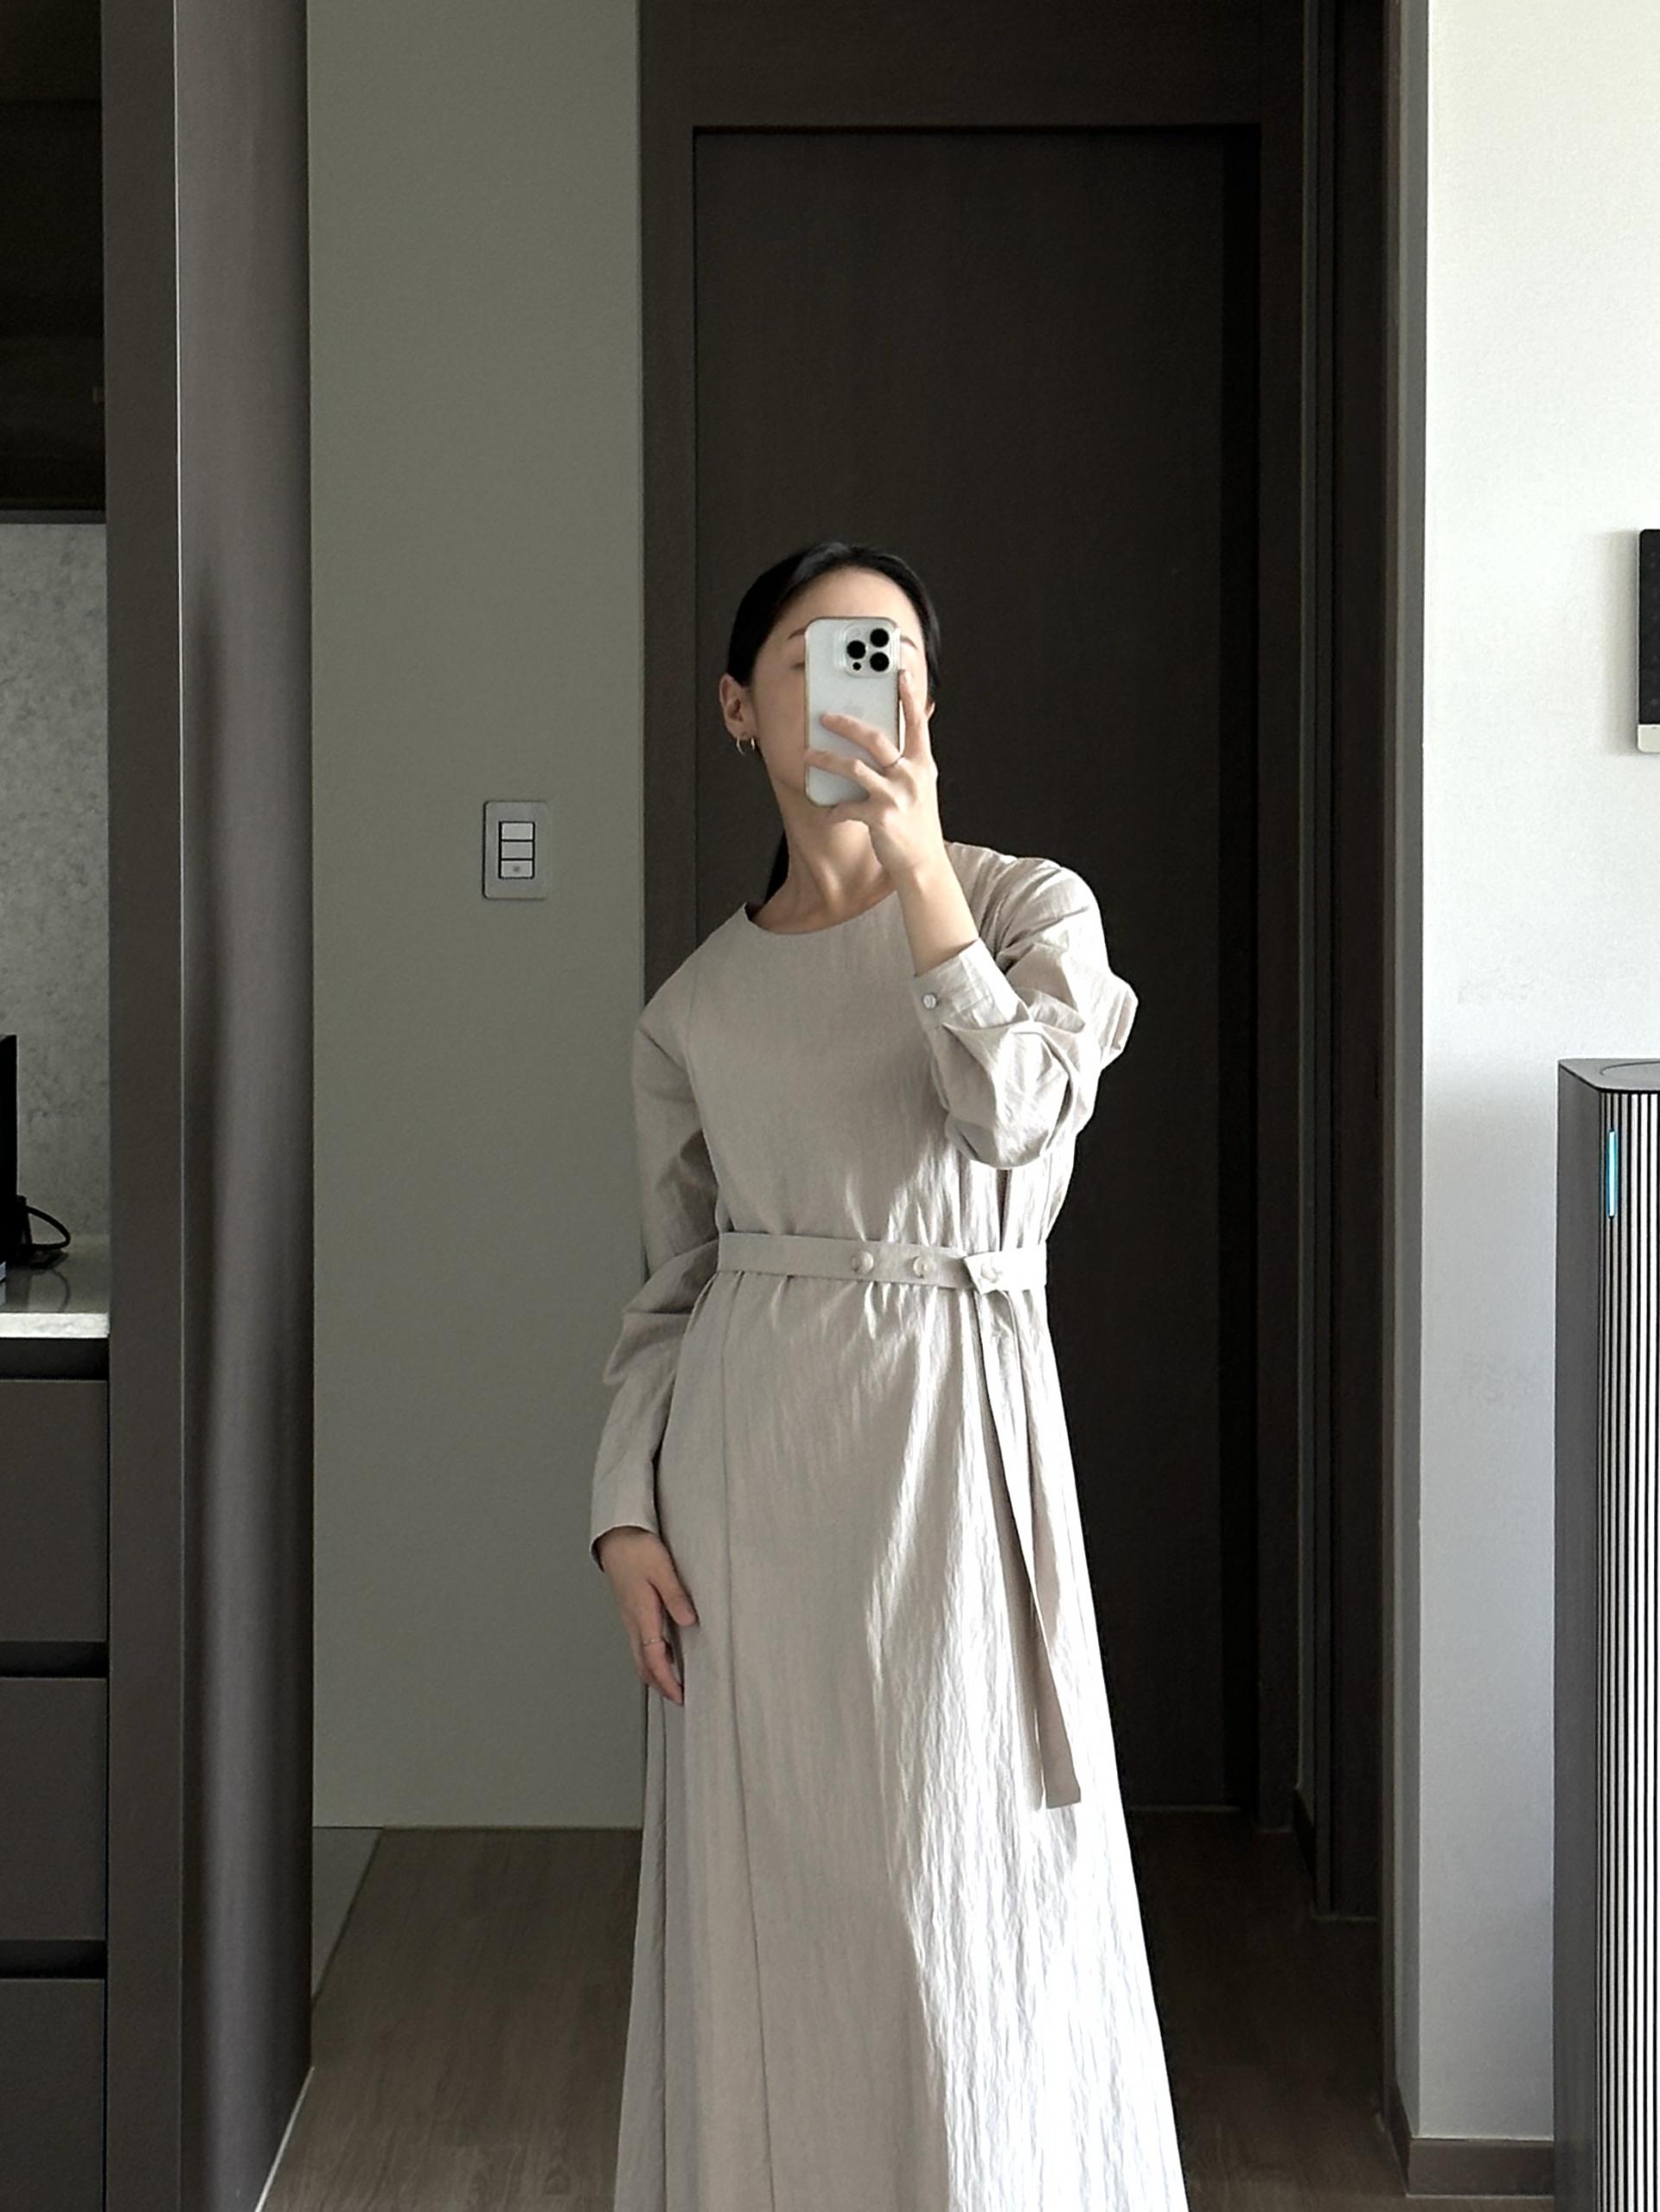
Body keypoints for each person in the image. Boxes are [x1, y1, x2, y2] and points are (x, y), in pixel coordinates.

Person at [589, 539, 1190, 2211]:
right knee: (778, 1919)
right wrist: (622, 1510)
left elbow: (1016, 1122)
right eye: (814, 655)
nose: (860, 681)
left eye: (890, 654)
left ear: (927, 699)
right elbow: (672, 1283)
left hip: (954, 1460)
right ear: (738, 708)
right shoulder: (695, 1009)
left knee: (964, 1896)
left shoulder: (1026, 907)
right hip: (749, 1489)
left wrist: (922, 880)